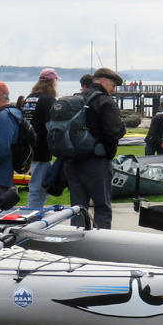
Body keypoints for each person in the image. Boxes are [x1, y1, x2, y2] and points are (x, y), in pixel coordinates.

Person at [62, 68, 125, 229]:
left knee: (78, 208)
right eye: (113, 85)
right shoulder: (105, 101)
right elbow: (115, 131)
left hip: (73, 161)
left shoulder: (76, 99)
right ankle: (100, 246)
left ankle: (76, 244)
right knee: (102, 207)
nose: (113, 89)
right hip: (96, 162)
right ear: (103, 81)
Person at [21, 68, 59, 208]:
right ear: (52, 82)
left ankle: (35, 209)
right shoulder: (49, 100)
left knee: (41, 184)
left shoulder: (30, 97)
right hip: (42, 148)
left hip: (28, 148)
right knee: (37, 187)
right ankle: (33, 213)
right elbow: (51, 128)